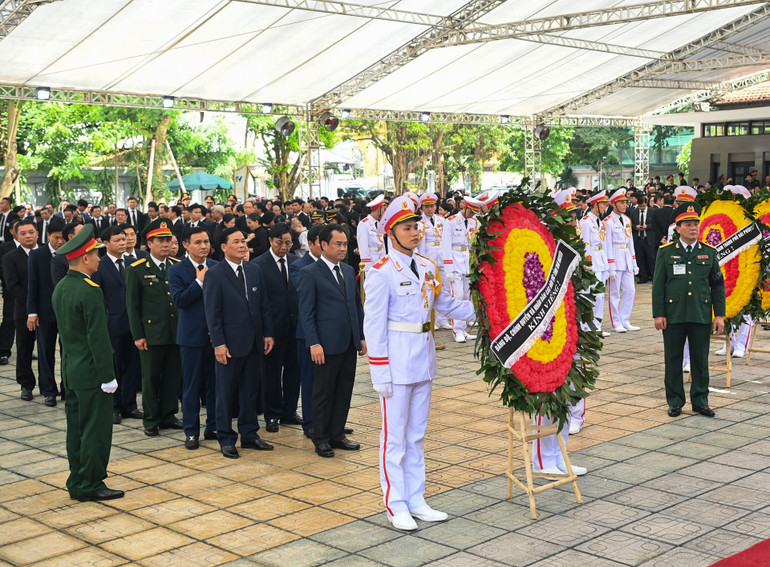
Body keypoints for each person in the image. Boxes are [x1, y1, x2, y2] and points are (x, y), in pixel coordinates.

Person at [364, 196, 476, 531]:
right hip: (395, 364)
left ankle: (416, 498)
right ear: (391, 232)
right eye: (408, 228)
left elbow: (446, 304)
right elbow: (373, 325)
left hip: (424, 359)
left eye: (416, 227)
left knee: (416, 436)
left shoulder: (426, 267)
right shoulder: (381, 272)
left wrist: (485, 311)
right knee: (394, 439)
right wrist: (379, 371)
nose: (415, 233)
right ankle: (395, 503)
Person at [51, 224, 123, 502]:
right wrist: (108, 375)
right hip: (93, 374)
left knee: (77, 430)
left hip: (72, 370)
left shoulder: (62, 287)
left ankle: (77, 480)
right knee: (96, 430)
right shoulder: (89, 290)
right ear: (84, 258)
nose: (99, 259)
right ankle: (91, 483)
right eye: (96, 254)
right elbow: (98, 339)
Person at [203, 227, 275, 459]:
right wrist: (219, 344)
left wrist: (267, 333)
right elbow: (212, 313)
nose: (243, 245)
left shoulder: (254, 270)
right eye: (237, 241)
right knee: (225, 393)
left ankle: (250, 433)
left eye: (244, 240)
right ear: (224, 247)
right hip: (229, 345)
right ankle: (225, 437)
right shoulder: (215, 273)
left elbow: (263, 305)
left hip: (254, 342)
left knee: (250, 391)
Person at [297, 223, 366, 459]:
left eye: (345, 244)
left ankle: (337, 434)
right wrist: (313, 343)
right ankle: (321, 438)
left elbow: (355, 305)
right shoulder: (309, 273)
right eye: (338, 244)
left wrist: (361, 337)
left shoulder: (347, 270)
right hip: (324, 345)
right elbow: (306, 312)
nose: (343, 248)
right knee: (323, 392)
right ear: (323, 244)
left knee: (344, 389)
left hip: (347, 342)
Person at [653, 202, 725, 418]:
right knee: (673, 359)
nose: (693, 228)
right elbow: (658, 285)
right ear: (678, 228)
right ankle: (675, 401)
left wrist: (719, 315)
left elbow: (717, 286)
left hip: (700, 314)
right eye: (688, 224)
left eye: (696, 224)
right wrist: (658, 314)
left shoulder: (709, 253)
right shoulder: (666, 252)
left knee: (700, 360)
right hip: (673, 315)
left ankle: (700, 401)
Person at [126, 218, 183, 437]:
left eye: (168, 240)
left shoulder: (177, 266)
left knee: (172, 376)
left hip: (175, 331)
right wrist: (138, 335)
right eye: (161, 240)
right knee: (150, 377)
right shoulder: (137, 269)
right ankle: (151, 418)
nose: (166, 244)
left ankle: (168, 414)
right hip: (151, 333)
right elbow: (133, 306)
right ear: (149, 243)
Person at [168, 226, 218, 450]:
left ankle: (214, 426)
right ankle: (191, 431)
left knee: (215, 385)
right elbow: (180, 300)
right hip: (191, 337)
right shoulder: (177, 270)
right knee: (191, 386)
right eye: (198, 242)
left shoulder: (217, 267)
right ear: (186, 245)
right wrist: (198, 282)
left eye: (206, 242)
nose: (204, 246)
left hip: (216, 336)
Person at [92, 225, 143, 425]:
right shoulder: (100, 265)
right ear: (105, 243)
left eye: (124, 239)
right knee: (113, 368)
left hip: (134, 326)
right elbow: (98, 298)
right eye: (118, 240)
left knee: (132, 367)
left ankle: (130, 405)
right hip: (111, 325)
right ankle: (113, 407)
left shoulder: (134, 263)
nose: (123, 243)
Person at [253, 223, 301, 433]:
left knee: (294, 371)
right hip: (272, 329)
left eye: (288, 243)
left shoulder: (296, 262)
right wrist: (266, 331)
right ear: (270, 241)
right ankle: (272, 414)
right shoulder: (258, 265)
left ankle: (289, 411)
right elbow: (259, 302)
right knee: (271, 373)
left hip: (295, 327)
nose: (284, 247)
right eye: (280, 242)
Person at [26, 219, 66, 407]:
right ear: (48, 235)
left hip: (66, 312)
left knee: (67, 351)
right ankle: (49, 390)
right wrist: (32, 312)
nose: (59, 242)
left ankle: (67, 388)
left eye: (62, 238)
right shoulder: (37, 255)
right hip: (44, 311)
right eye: (56, 238)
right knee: (45, 351)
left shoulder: (70, 254)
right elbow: (32, 285)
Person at [290, 224, 324, 438]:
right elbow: (305, 298)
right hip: (309, 333)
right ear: (311, 244)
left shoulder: (338, 266)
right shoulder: (299, 266)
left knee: (329, 382)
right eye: (323, 243)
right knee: (311, 382)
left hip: (331, 333)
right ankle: (311, 423)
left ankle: (330, 422)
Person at [3, 219, 38, 401]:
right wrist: (34, 304)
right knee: (24, 349)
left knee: (48, 350)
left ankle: (51, 385)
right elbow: (13, 286)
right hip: (23, 311)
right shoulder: (10, 257)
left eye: (31, 232)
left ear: (37, 233)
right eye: (23, 233)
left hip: (48, 311)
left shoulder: (47, 254)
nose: (28, 236)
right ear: (16, 235)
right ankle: (26, 385)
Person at [445, 197, 480, 343]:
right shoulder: (451, 221)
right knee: (457, 297)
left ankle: (463, 328)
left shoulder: (474, 222)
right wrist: (448, 268)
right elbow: (445, 245)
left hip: (468, 261)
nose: (473, 215)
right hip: (455, 260)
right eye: (472, 211)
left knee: (467, 297)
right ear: (465, 208)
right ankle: (457, 330)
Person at [604, 189, 640, 334]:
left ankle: (625, 319)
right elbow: (607, 244)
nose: (625, 205)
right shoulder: (607, 222)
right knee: (614, 294)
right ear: (614, 204)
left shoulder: (626, 220)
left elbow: (630, 242)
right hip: (615, 259)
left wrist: (634, 262)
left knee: (630, 290)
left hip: (626, 259)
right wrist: (610, 265)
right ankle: (616, 322)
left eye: (626, 202)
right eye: (621, 202)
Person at [578, 191, 610, 337]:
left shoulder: (599, 222)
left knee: (600, 295)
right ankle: (586, 325)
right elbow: (584, 245)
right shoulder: (585, 221)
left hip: (601, 260)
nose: (605, 207)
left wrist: (607, 264)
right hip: (592, 261)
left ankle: (597, 324)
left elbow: (603, 243)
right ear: (595, 205)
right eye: (603, 204)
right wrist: (587, 264)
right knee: (590, 294)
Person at [629, 196, 656, 283]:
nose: (642, 208)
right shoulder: (633, 212)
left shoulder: (652, 211)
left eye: (643, 206)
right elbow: (630, 224)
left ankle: (653, 276)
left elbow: (656, 224)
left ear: (646, 204)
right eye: (640, 206)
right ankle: (643, 277)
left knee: (651, 258)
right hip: (638, 239)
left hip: (649, 238)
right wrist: (635, 227)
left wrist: (647, 226)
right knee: (640, 259)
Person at [357, 195, 386, 272]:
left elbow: (382, 245)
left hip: (381, 262)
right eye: (383, 209)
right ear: (378, 210)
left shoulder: (379, 223)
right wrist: (366, 269)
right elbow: (363, 248)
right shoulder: (364, 224)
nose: (384, 212)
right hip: (371, 263)